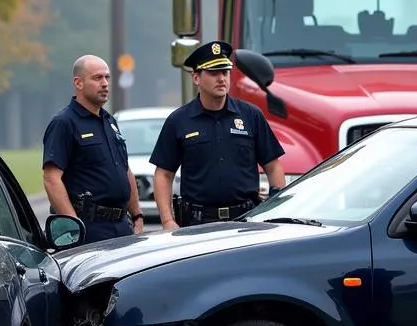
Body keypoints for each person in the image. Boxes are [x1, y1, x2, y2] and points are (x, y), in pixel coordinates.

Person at [150, 40, 286, 230]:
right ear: (196, 78)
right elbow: (163, 174)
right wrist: (167, 220)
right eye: (214, 73)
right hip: (198, 223)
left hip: (246, 221)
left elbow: (273, 166)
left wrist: (275, 210)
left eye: (225, 72)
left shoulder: (251, 115)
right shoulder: (178, 120)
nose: (222, 78)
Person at [42, 54, 143, 243]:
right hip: (89, 228)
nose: (105, 83)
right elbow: (51, 179)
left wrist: (137, 216)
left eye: (107, 77)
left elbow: (125, 169)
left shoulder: (110, 121)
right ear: (78, 83)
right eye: (97, 78)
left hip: (122, 226)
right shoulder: (64, 123)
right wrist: (73, 227)